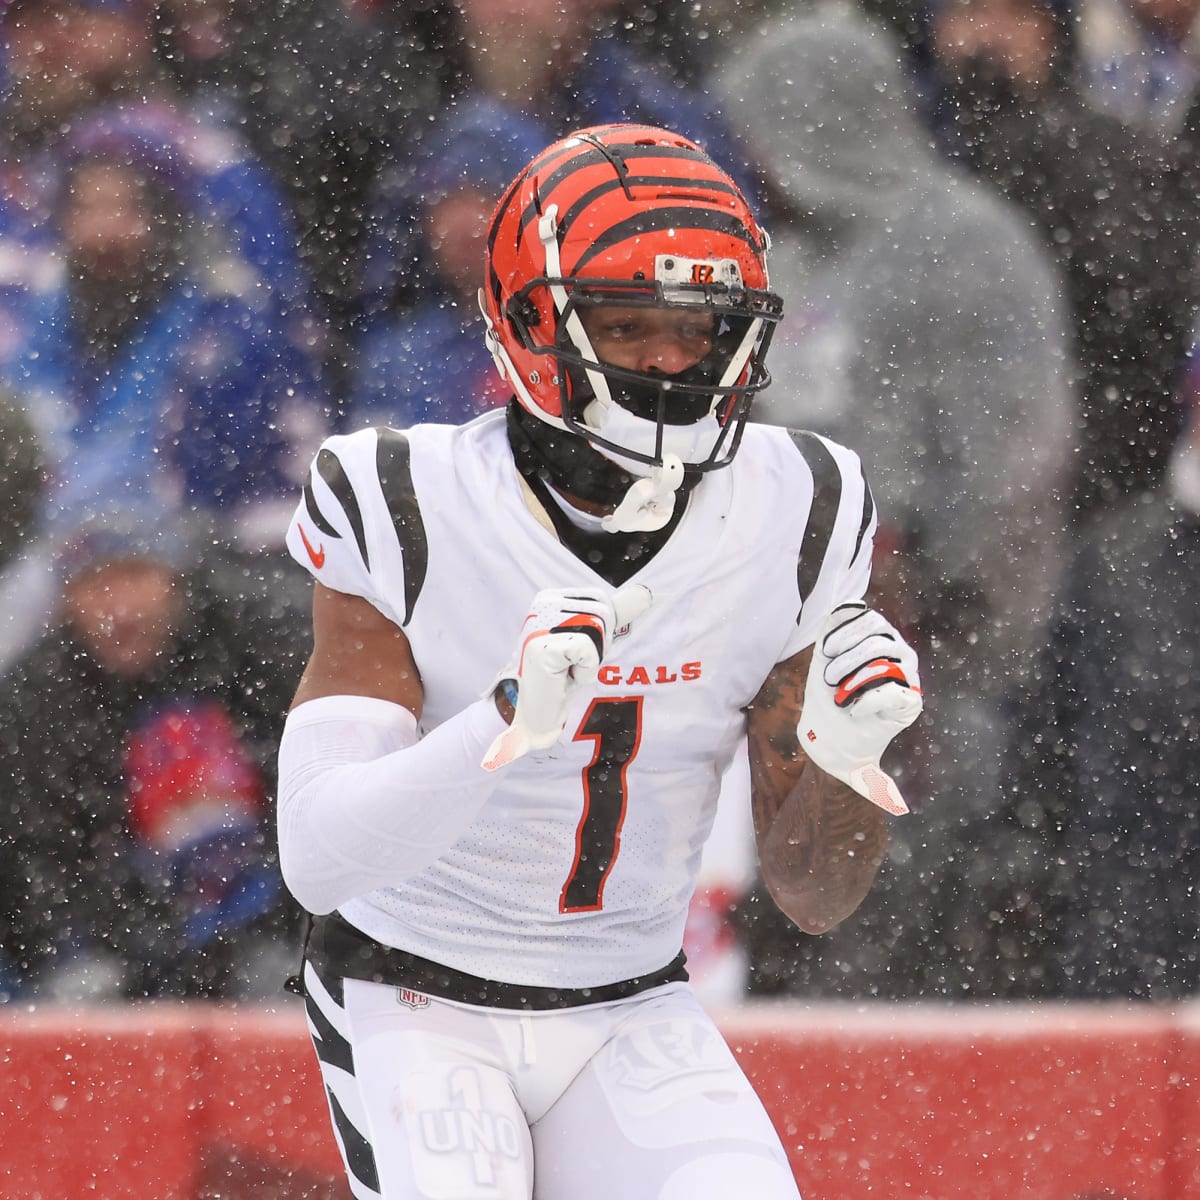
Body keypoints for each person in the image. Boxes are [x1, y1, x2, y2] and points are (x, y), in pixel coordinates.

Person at [276, 123, 924, 1199]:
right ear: (532, 323)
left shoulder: (803, 505)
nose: (674, 363)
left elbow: (814, 895)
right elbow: (319, 858)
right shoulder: (404, 501)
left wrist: (849, 761)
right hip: (411, 994)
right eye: (630, 327)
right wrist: (505, 724)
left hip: (632, 1000)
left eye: (702, 330)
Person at [715, 2, 1074, 999]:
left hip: (952, 670)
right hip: (782, 670)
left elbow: (1021, 454)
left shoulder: (970, 245)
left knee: (912, 922)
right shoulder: (780, 262)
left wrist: (940, 594)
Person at [0, 501, 304, 1003]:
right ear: (66, 601)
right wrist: (130, 947)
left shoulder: (262, 640)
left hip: (277, 913)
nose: (118, 608)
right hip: (114, 939)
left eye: (135, 577)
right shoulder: (37, 700)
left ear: (175, 580)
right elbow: (40, 853)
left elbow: (317, 791)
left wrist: (275, 927)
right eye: (96, 586)